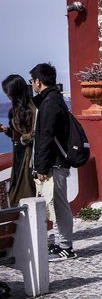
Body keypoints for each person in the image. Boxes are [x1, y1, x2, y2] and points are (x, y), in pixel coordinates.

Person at [29, 63, 76, 261]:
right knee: (55, 204)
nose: (31, 84)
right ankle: (59, 243)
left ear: (38, 81)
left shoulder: (49, 102)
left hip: (55, 163)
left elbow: (46, 136)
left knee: (59, 204)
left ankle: (66, 247)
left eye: (32, 80)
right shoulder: (53, 99)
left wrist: (41, 166)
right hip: (55, 162)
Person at [1, 75, 37, 207]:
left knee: (25, 190)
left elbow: (36, 132)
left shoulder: (32, 109)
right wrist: (6, 130)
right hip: (19, 153)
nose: (7, 95)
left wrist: (23, 138)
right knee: (16, 188)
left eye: (8, 92)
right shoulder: (15, 110)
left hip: (28, 156)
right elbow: (18, 133)